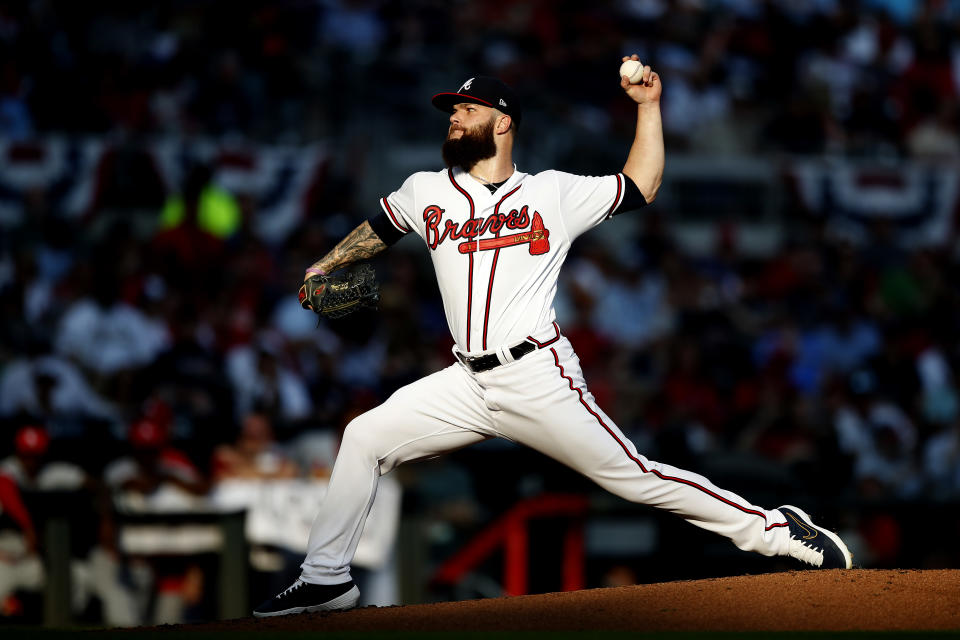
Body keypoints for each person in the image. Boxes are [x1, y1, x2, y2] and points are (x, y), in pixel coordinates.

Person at [254, 56, 852, 617]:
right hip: (466, 380)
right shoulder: (424, 188)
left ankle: (779, 530)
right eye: (452, 111)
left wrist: (647, 106)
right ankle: (327, 575)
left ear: (503, 121)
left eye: (467, 109)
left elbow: (641, 184)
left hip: (537, 375)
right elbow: (379, 229)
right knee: (364, 435)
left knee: (637, 479)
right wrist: (325, 266)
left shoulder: (552, 193)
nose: (456, 117)